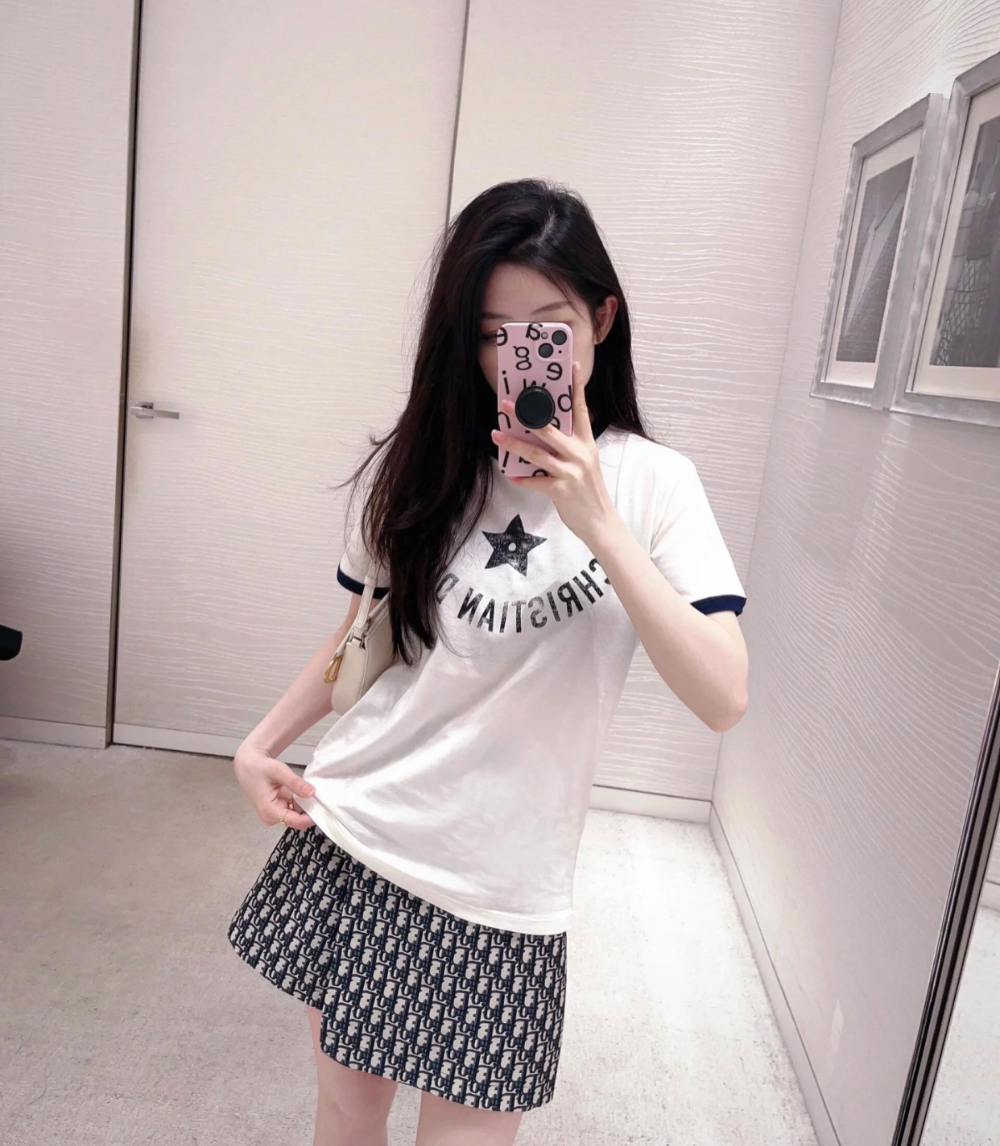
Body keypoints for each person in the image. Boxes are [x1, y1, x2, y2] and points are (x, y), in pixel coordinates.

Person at [228, 178, 749, 1146]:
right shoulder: (423, 463)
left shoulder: (655, 485)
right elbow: (364, 641)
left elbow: (722, 695)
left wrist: (598, 522)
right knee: (346, 1113)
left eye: (545, 328)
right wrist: (259, 742)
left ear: (600, 321)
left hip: (506, 893)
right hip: (365, 837)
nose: (516, 355)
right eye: (489, 333)